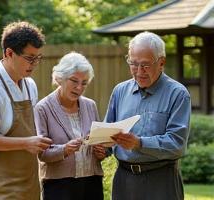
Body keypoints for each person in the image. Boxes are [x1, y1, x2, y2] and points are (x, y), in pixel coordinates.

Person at [0, 21, 53, 200]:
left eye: (38, 58)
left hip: (28, 182)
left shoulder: (30, 85)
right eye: (30, 58)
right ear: (9, 53)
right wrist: (25, 143)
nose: (34, 64)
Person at [105, 31, 191, 200]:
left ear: (161, 62)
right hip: (123, 181)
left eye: (145, 65)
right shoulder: (120, 91)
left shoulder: (178, 94)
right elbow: (109, 133)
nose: (139, 71)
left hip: (161, 181)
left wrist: (139, 143)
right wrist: (100, 146)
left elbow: (177, 144)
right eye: (133, 64)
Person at [34, 52, 107, 200]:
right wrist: (65, 149)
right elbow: (42, 154)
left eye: (84, 83)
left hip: (91, 182)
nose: (79, 87)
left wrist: (101, 152)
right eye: (74, 81)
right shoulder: (43, 108)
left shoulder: (90, 105)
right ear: (60, 78)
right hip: (59, 185)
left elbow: (99, 145)